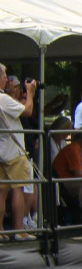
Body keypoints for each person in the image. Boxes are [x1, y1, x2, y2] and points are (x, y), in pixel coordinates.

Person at [0, 65, 39, 232]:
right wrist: (30, 93)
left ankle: (1, 230)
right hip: (14, 151)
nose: (6, 79)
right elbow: (28, 111)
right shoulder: (3, 98)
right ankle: (18, 230)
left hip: (2, 149)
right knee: (19, 189)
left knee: (1, 192)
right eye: (4, 75)